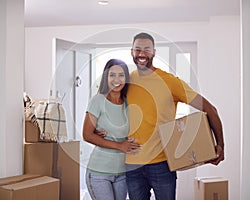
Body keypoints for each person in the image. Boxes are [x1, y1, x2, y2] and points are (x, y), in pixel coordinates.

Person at [125, 32, 225, 200]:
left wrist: (220, 145)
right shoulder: (126, 81)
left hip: (162, 164)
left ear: (154, 52)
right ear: (131, 52)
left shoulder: (170, 82)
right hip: (132, 166)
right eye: (138, 49)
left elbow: (211, 109)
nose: (142, 54)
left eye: (147, 49)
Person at [82, 58, 141, 200]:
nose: (117, 79)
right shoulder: (98, 100)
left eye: (121, 75)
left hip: (122, 172)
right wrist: (120, 145)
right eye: (112, 75)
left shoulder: (129, 103)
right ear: (106, 77)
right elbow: (87, 135)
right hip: (99, 173)